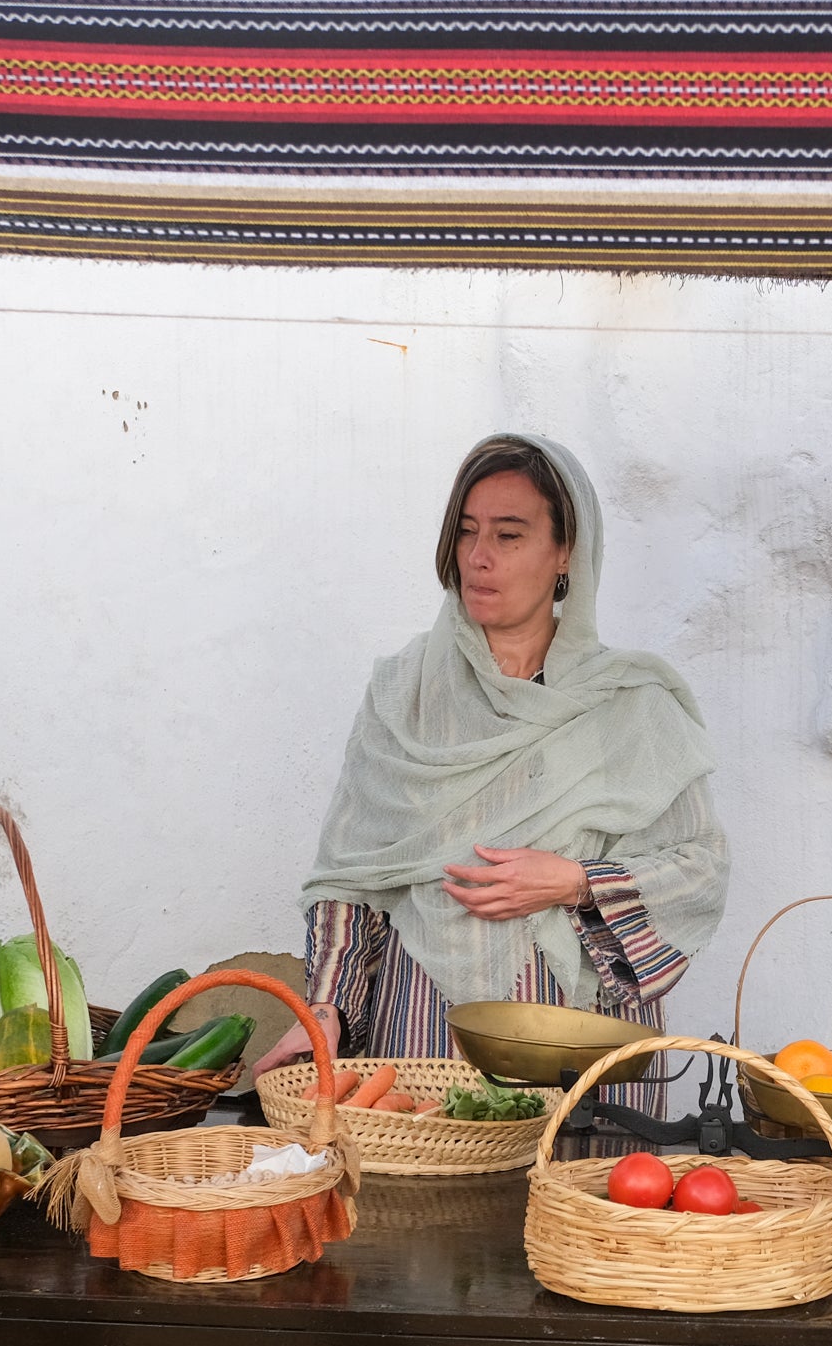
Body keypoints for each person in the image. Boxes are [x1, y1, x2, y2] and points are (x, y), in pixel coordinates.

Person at [256, 434, 728, 1074]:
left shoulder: (630, 704)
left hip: (582, 1044)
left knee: (584, 1179)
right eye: (467, 533)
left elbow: (699, 865)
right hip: (424, 1033)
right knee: (437, 1173)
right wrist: (326, 1011)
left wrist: (575, 881)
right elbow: (350, 876)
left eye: (509, 537)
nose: (479, 558)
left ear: (566, 553)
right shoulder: (405, 695)